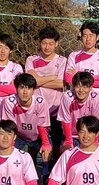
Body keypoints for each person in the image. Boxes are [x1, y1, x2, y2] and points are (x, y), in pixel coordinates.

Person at [1, 74, 52, 185]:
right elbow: (10, 127)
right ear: (16, 88)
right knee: (9, 155)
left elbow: (42, 125)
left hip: (38, 135)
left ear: (33, 90)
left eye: (28, 88)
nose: (25, 92)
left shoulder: (40, 102)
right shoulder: (9, 102)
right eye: (22, 87)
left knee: (47, 155)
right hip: (19, 135)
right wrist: (10, 147)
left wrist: (45, 143)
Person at [25, 26, 67, 155]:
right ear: (39, 42)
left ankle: (54, 168)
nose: (47, 47)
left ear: (56, 44)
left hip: (55, 110)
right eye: (44, 43)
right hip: (36, 110)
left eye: (50, 44)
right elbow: (31, 82)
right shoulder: (31, 59)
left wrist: (39, 79)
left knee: (55, 147)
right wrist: (52, 77)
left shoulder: (62, 60)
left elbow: (61, 83)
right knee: (33, 145)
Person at [57, 72, 99, 151]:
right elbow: (65, 121)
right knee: (66, 151)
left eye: (85, 87)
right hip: (72, 135)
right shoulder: (67, 97)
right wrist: (68, 141)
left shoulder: (96, 98)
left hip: (91, 134)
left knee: (97, 154)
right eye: (78, 86)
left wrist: (95, 141)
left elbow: (98, 123)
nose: (81, 90)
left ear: (90, 87)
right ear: (73, 86)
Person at [64, 21, 99, 96]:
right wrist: (97, 77)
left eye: (91, 35)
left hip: (97, 99)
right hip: (77, 98)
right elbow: (69, 78)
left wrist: (77, 74)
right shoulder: (73, 55)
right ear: (81, 37)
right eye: (85, 36)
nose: (88, 39)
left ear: (97, 37)